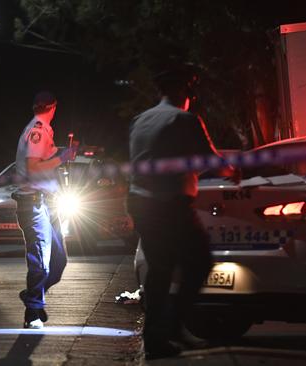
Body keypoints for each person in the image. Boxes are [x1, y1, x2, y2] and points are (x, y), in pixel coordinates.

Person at [127, 66, 239, 359]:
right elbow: (210, 158)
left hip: (140, 202)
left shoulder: (140, 119)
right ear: (184, 93)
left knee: (159, 269)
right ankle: (175, 326)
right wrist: (232, 170)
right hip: (170, 205)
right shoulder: (185, 118)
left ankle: (155, 339)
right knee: (200, 261)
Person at [13, 91, 77, 329]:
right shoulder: (38, 130)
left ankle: (33, 296)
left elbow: (43, 163)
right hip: (34, 203)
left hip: (48, 202)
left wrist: (60, 154)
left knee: (58, 262)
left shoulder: (44, 130)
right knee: (42, 262)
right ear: (53, 107)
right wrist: (63, 158)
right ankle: (33, 311)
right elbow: (33, 168)